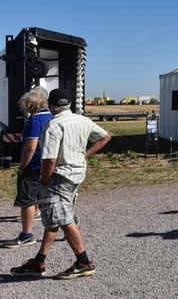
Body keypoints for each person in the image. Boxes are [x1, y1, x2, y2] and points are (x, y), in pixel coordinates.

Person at [11, 88, 111, 279]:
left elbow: (49, 159)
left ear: (51, 105)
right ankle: (39, 261)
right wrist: (85, 154)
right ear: (70, 104)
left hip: (59, 176)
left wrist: (43, 181)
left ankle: (84, 262)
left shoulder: (53, 125)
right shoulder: (82, 120)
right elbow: (106, 137)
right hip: (77, 174)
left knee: (63, 218)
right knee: (55, 216)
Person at [2, 88, 52, 249]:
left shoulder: (35, 120)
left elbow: (31, 146)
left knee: (27, 200)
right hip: (49, 163)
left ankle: (26, 234)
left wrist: (22, 166)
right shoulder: (51, 117)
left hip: (34, 165)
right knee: (48, 197)